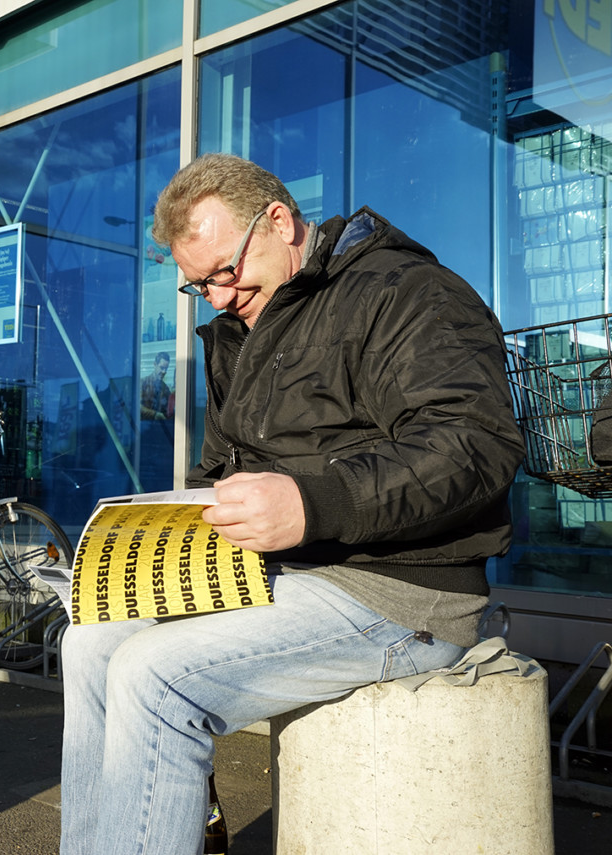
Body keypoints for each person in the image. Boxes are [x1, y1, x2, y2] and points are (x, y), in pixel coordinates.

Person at [59, 153, 524, 855]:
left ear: (278, 220)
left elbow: (475, 443)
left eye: (223, 271)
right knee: (91, 640)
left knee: (153, 676)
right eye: (197, 285)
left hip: (401, 592)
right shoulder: (244, 327)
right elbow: (224, 467)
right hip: (283, 573)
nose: (216, 296)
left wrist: (314, 501)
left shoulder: (406, 291)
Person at [140, 351, 172, 421]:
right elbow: (137, 406)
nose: (164, 372)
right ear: (155, 364)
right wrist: (154, 414)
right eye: (161, 368)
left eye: (166, 369)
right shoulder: (143, 383)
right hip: (143, 427)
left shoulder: (165, 389)